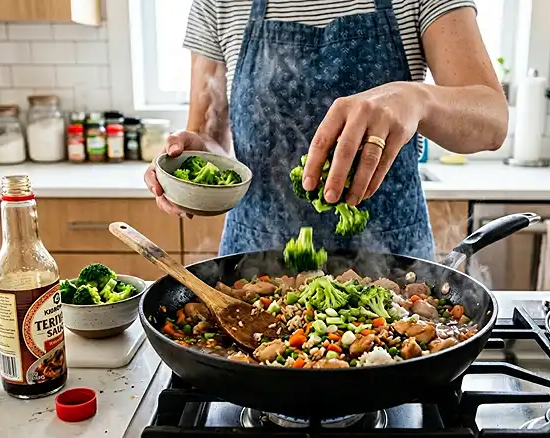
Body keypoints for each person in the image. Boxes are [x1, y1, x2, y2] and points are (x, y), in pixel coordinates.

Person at [144, 0, 507, 260]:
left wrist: (417, 99)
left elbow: (492, 121)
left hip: (396, 267)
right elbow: (209, 134)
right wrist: (196, 166)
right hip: (253, 262)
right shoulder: (217, 3)